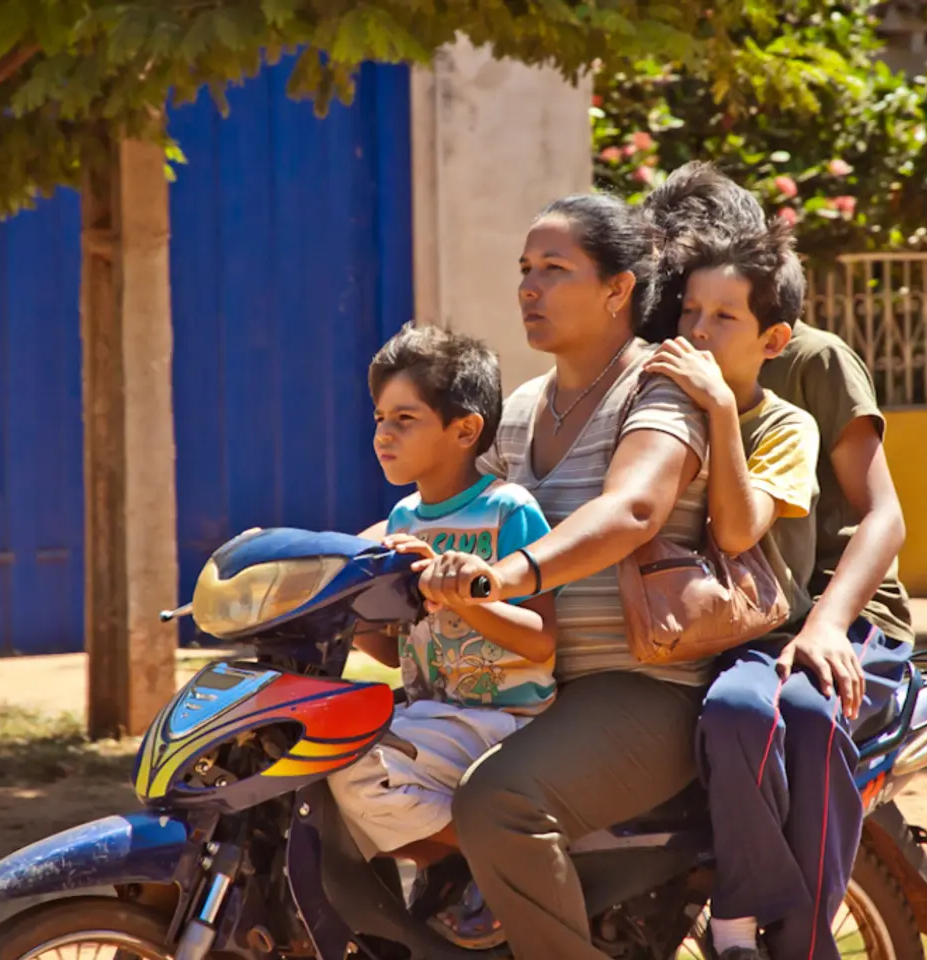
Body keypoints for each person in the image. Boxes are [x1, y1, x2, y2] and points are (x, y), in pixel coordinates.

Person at [408, 193, 711, 960]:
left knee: (498, 802)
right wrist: (315, 561)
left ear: (619, 289)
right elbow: (441, 512)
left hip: (639, 686)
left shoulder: (657, 388)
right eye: (523, 271)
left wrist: (504, 576)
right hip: (527, 682)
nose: (528, 290)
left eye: (553, 269)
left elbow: (634, 509)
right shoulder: (516, 411)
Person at [642, 162, 912, 960]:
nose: (691, 319)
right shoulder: (671, 350)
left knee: (809, 712)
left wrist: (830, 623)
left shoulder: (811, 362)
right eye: (682, 295)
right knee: (739, 717)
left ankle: (799, 944)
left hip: (836, 605)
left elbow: (885, 514)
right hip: (733, 613)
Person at [327, 323, 558, 897]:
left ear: (465, 430)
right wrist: (344, 612)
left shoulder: (508, 510)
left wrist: (462, 592)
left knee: (359, 769)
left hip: (503, 716)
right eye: (380, 418)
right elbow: (392, 647)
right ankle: (462, 871)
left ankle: (505, 857)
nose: (384, 434)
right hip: (431, 711)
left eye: (405, 419)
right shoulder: (402, 520)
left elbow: (541, 641)